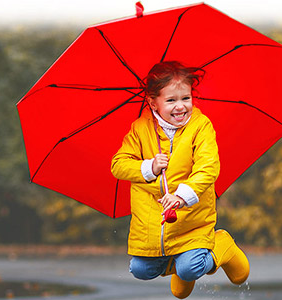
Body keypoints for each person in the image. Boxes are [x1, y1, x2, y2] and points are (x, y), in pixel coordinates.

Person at [111, 61, 250, 299]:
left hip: (192, 220)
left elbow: (208, 167)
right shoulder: (140, 129)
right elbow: (118, 165)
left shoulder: (200, 126)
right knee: (140, 269)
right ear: (152, 102)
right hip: (154, 226)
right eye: (171, 100)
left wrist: (182, 196)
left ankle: (221, 245)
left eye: (186, 98)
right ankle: (181, 265)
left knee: (190, 268)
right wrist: (149, 167)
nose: (180, 106)